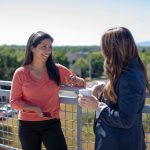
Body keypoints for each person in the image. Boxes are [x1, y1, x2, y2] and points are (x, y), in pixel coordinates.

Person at [9, 31, 85, 150]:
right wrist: (33, 108)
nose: (48, 51)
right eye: (43, 47)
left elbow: (81, 83)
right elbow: (14, 102)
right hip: (27, 125)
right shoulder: (20, 73)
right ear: (32, 48)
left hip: (51, 123)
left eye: (50, 47)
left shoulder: (57, 69)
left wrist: (77, 81)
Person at [78, 27, 150, 150]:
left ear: (112, 49)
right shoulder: (131, 69)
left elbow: (126, 120)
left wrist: (97, 106)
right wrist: (102, 87)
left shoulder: (129, 77)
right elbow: (120, 90)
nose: (102, 51)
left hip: (120, 143)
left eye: (104, 47)